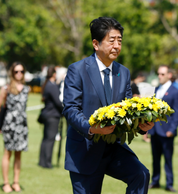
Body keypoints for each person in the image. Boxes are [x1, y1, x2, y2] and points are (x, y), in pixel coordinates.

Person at [62, 17, 154, 194]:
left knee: (140, 174)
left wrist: (142, 126)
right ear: (96, 44)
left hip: (114, 148)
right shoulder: (77, 70)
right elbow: (71, 109)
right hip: (85, 150)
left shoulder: (124, 72)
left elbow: (128, 111)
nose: (117, 46)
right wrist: (92, 128)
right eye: (111, 40)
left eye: (119, 40)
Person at [148, 65, 178, 192]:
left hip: (167, 132)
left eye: (162, 74)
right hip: (154, 131)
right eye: (158, 73)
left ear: (169, 75)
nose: (159, 76)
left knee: (168, 159)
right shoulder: (156, 90)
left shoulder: (175, 91)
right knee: (155, 159)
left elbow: (177, 112)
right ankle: (155, 181)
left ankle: (169, 184)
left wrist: (172, 130)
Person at [0, 62, 29, 193]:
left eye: (21, 71)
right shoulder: (5, 88)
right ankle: (6, 183)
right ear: (12, 73)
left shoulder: (27, 89)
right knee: (7, 153)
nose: (19, 74)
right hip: (9, 125)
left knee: (18, 155)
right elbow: (1, 108)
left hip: (22, 125)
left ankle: (15, 182)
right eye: (16, 71)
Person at [38, 66, 63, 169]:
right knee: (50, 139)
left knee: (45, 139)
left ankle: (42, 161)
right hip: (52, 115)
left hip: (47, 114)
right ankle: (47, 163)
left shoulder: (48, 84)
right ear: (53, 74)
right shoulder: (51, 85)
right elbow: (57, 102)